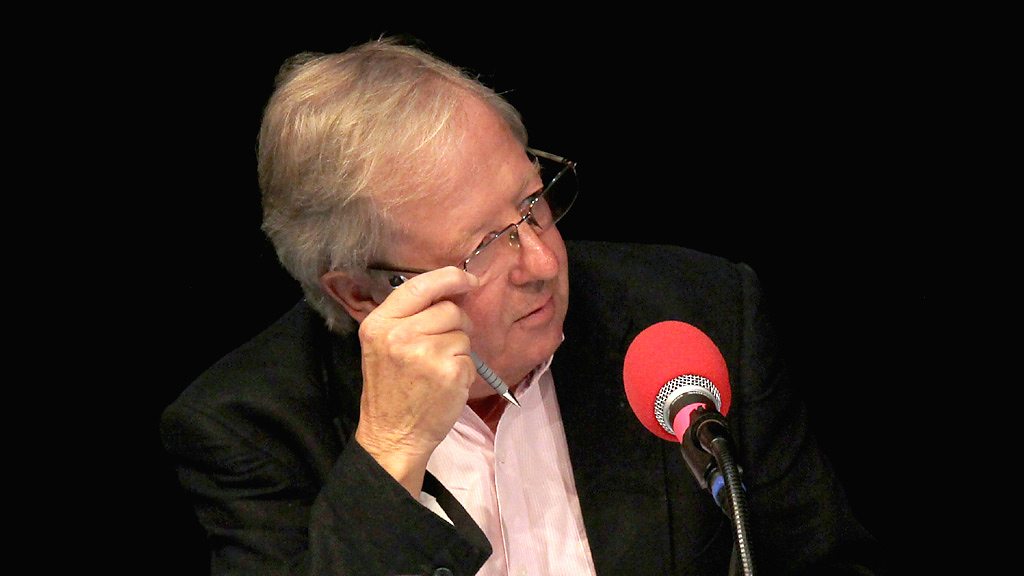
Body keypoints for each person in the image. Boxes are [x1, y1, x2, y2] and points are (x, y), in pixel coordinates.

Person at [161, 37, 885, 575]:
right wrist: (390, 450)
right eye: (481, 249)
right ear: (360, 293)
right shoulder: (250, 426)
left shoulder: (692, 317)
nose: (541, 262)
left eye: (533, 203)